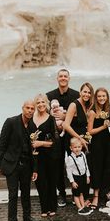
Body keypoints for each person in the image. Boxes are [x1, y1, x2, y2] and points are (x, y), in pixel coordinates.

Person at [0, 100, 41, 221]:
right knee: (12, 196)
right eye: (27, 108)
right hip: (12, 166)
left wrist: (34, 169)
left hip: (26, 166)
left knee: (27, 193)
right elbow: (1, 144)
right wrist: (3, 164)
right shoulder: (11, 122)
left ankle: (27, 218)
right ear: (22, 108)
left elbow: (33, 149)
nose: (30, 110)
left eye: (32, 108)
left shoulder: (33, 125)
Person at [46, 68, 79, 207]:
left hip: (71, 135)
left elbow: (80, 115)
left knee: (75, 163)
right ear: (57, 78)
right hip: (56, 137)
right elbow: (46, 116)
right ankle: (61, 194)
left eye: (65, 76)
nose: (63, 78)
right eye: (61, 76)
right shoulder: (49, 95)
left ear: (69, 78)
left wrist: (66, 117)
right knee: (58, 165)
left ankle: (76, 193)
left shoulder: (76, 95)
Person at [32, 94, 57, 218]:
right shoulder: (31, 118)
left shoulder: (51, 119)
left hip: (49, 155)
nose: (41, 104)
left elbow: (53, 142)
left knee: (51, 181)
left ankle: (52, 207)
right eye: (38, 102)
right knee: (40, 182)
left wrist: (39, 143)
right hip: (35, 156)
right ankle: (44, 207)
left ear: (46, 103)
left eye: (43, 102)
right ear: (35, 105)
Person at [87, 87, 110, 209]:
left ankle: (105, 191)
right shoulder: (92, 112)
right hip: (96, 144)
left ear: (107, 97)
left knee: (105, 167)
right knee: (96, 168)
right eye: (99, 96)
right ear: (96, 98)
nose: (102, 98)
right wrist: (104, 126)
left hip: (106, 142)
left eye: (104, 96)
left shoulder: (107, 110)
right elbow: (90, 131)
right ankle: (95, 196)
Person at [63, 82, 94, 154]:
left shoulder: (87, 105)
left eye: (89, 93)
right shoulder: (73, 105)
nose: (87, 94)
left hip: (82, 141)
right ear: (80, 92)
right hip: (73, 142)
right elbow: (66, 125)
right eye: (85, 92)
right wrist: (80, 139)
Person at [65, 138, 93, 216]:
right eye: (75, 147)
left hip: (83, 177)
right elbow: (69, 171)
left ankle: (83, 206)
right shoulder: (70, 158)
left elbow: (86, 165)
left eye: (79, 147)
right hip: (76, 178)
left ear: (81, 147)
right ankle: (80, 208)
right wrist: (72, 181)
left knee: (81, 193)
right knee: (76, 194)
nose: (77, 149)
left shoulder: (83, 154)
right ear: (71, 148)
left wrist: (87, 176)